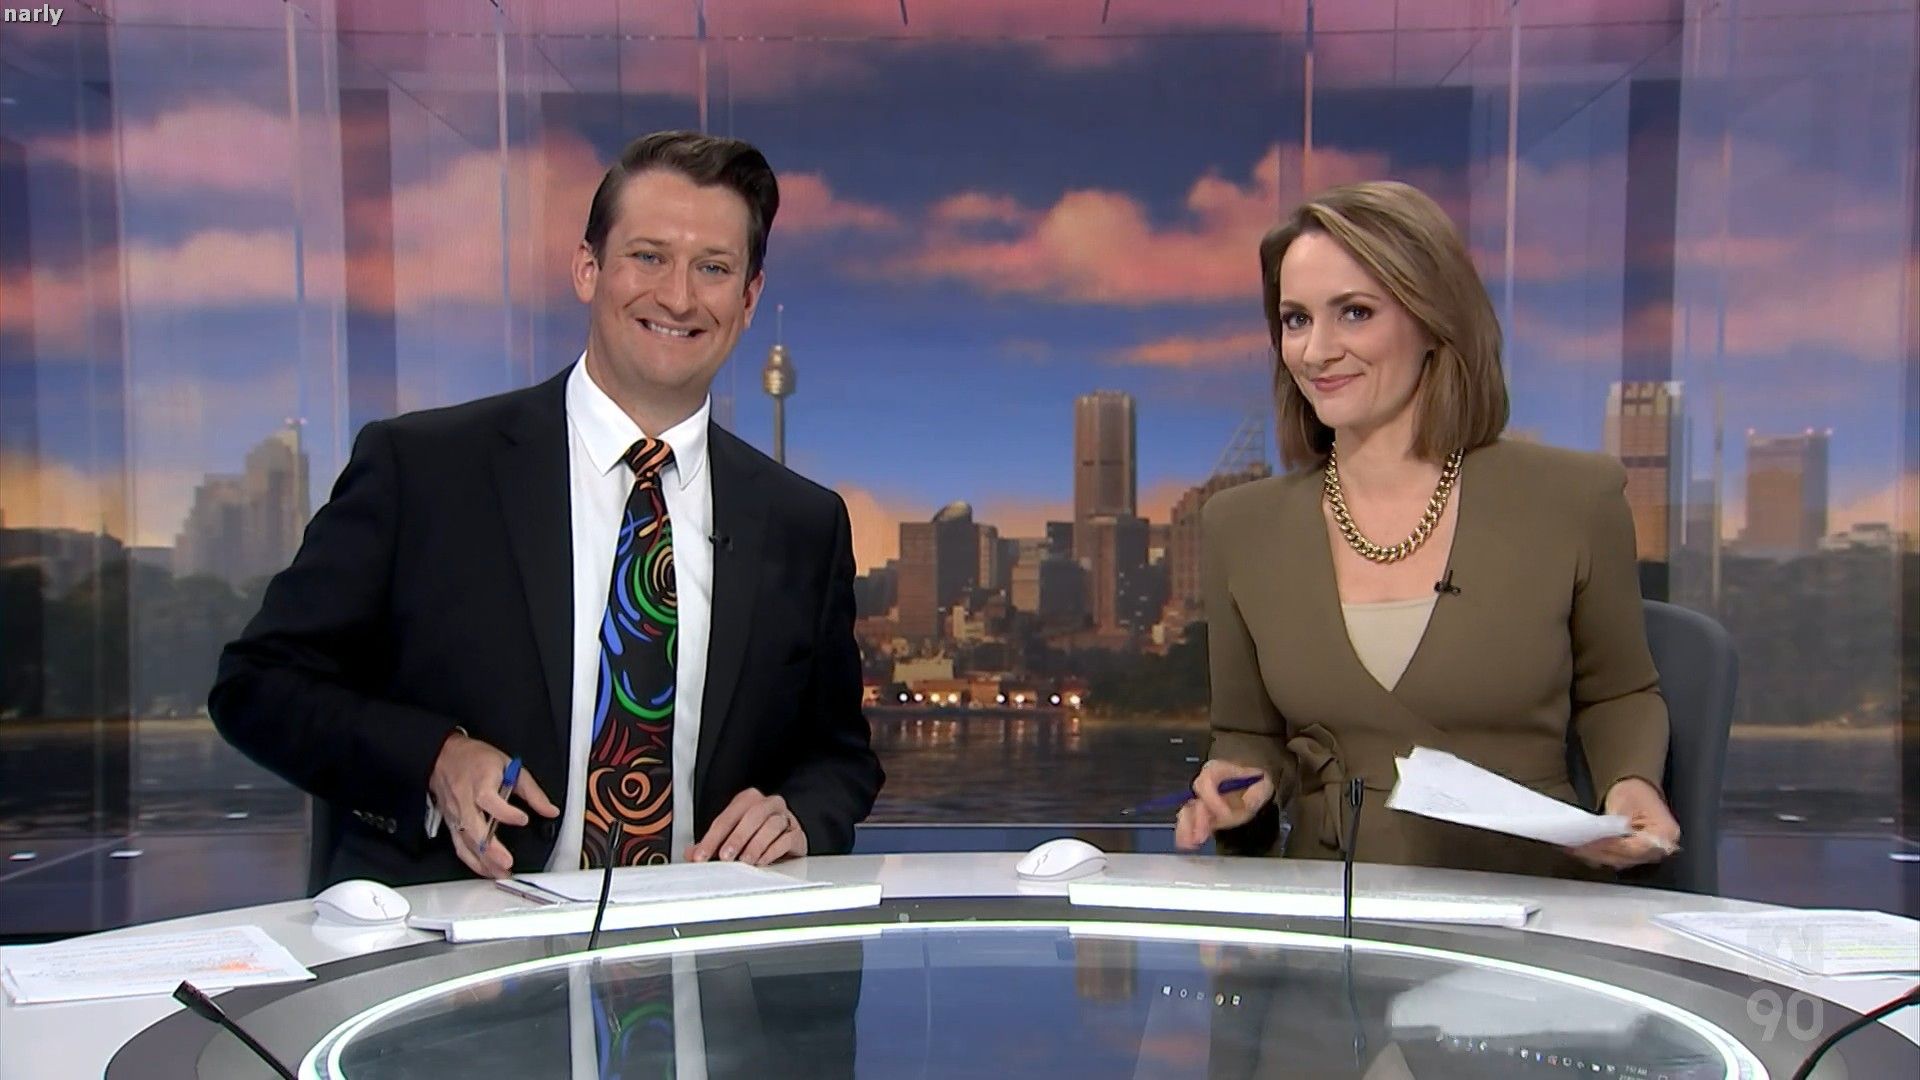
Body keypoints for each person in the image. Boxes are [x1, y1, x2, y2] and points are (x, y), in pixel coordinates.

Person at [211, 131, 883, 887]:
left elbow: (839, 758)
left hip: (699, 938)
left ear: (749, 298)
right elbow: (257, 685)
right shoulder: (424, 469)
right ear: (587, 268)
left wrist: (798, 814)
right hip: (457, 936)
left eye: (714, 268)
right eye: (649, 257)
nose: (678, 297)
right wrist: (434, 757)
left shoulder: (803, 524)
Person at [1174, 180, 1679, 879]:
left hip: (1526, 896)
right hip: (1332, 900)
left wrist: (1632, 783)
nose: (1316, 351)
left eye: (1354, 313)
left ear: (1432, 319)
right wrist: (1238, 785)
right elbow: (1248, 734)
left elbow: (1618, 692)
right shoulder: (1240, 525)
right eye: (1295, 320)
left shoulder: (1573, 499)